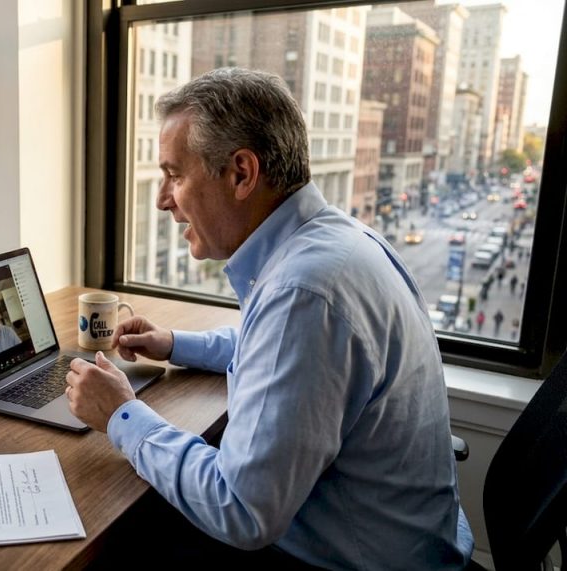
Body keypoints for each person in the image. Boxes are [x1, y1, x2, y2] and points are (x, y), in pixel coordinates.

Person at [64, 68, 472, 569]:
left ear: (241, 173)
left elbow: (240, 510)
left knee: (120, 537)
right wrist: (174, 343)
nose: (162, 199)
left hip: (352, 560)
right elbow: (274, 350)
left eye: (175, 174)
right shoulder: (335, 243)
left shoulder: (304, 293)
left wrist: (120, 415)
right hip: (398, 535)